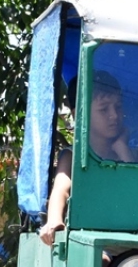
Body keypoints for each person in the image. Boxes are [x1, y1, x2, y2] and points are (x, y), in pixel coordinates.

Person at [39, 70, 130, 246]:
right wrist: (54, 221)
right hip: (92, 241)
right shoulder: (72, 156)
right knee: (102, 259)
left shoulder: (129, 156)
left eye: (118, 107)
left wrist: (123, 149)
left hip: (130, 240)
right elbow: (61, 189)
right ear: (78, 115)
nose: (114, 115)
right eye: (104, 109)